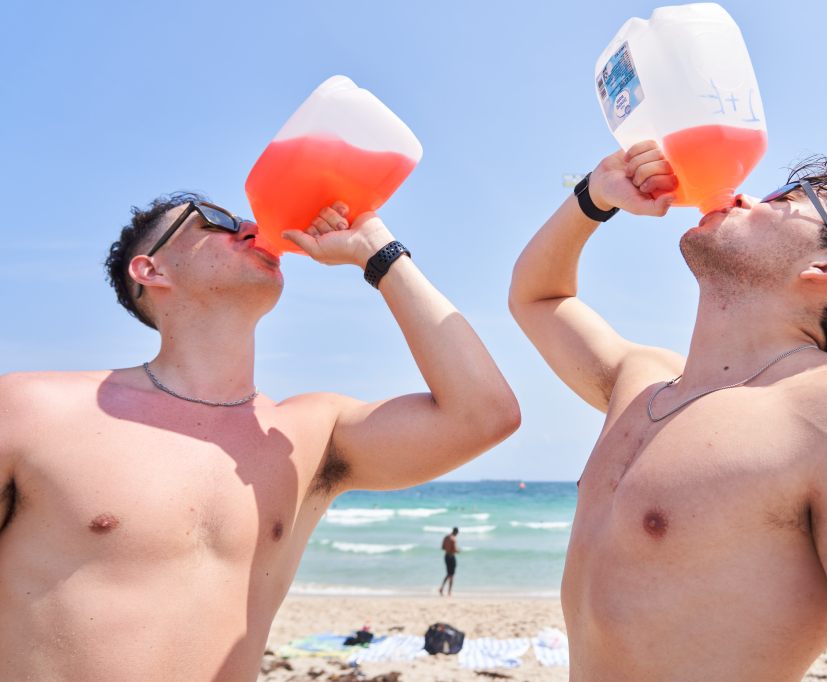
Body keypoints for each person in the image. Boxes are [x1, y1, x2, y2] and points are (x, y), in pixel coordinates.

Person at [509, 142, 827, 680]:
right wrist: (594, 197)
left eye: (788, 199)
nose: (742, 196)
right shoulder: (641, 382)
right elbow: (537, 298)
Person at [0, 194, 520, 681]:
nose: (251, 226)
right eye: (216, 220)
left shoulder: (311, 434)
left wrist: (376, 251)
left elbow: (484, 414)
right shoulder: (30, 411)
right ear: (150, 268)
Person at [439, 526, 460, 596]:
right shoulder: (453, 539)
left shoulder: (446, 537)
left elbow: (442, 547)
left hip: (446, 556)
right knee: (451, 575)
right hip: (451, 557)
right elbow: (454, 550)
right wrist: (458, 550)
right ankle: (449, 591)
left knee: (448, 574)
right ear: (456, 532)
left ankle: (442, 588)